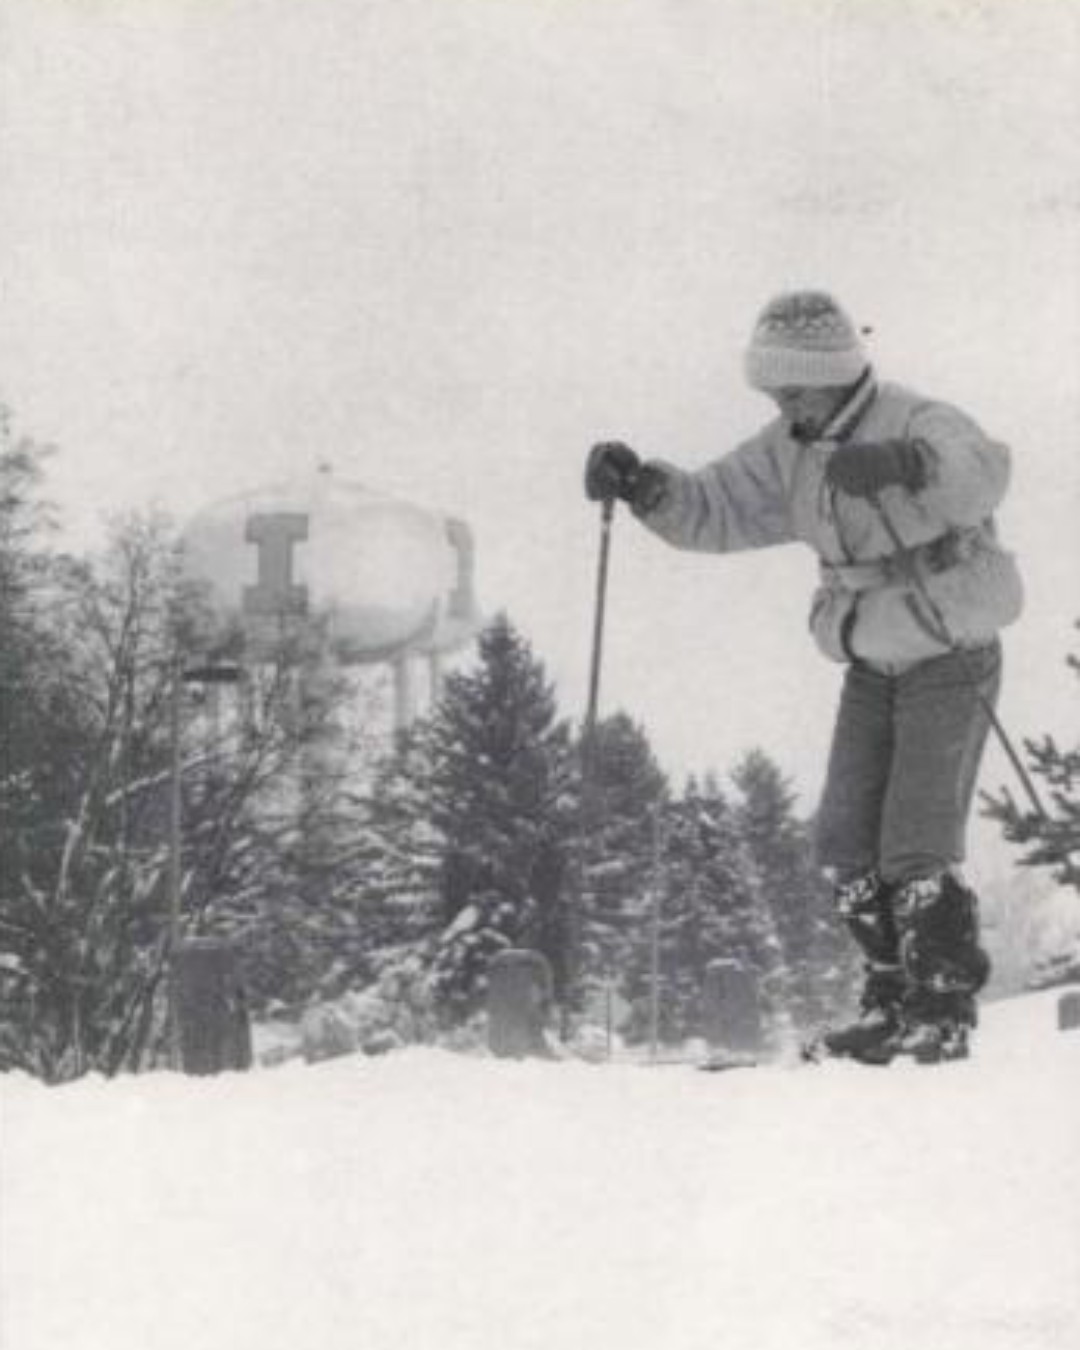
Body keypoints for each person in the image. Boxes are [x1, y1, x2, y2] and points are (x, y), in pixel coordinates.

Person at [584, 290, 1023, 1063]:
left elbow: (980, 476)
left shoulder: (917, 418)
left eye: (793, 390)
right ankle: (887, 1001)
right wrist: (646, 487)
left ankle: (940, 1008)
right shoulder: (791, 447)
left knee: (916, 840)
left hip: (947, 645)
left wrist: (910, 466)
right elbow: (715, 507)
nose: (784, 405)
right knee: (847, 840)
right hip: (867, 654)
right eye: (774, 393)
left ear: (833, 374)